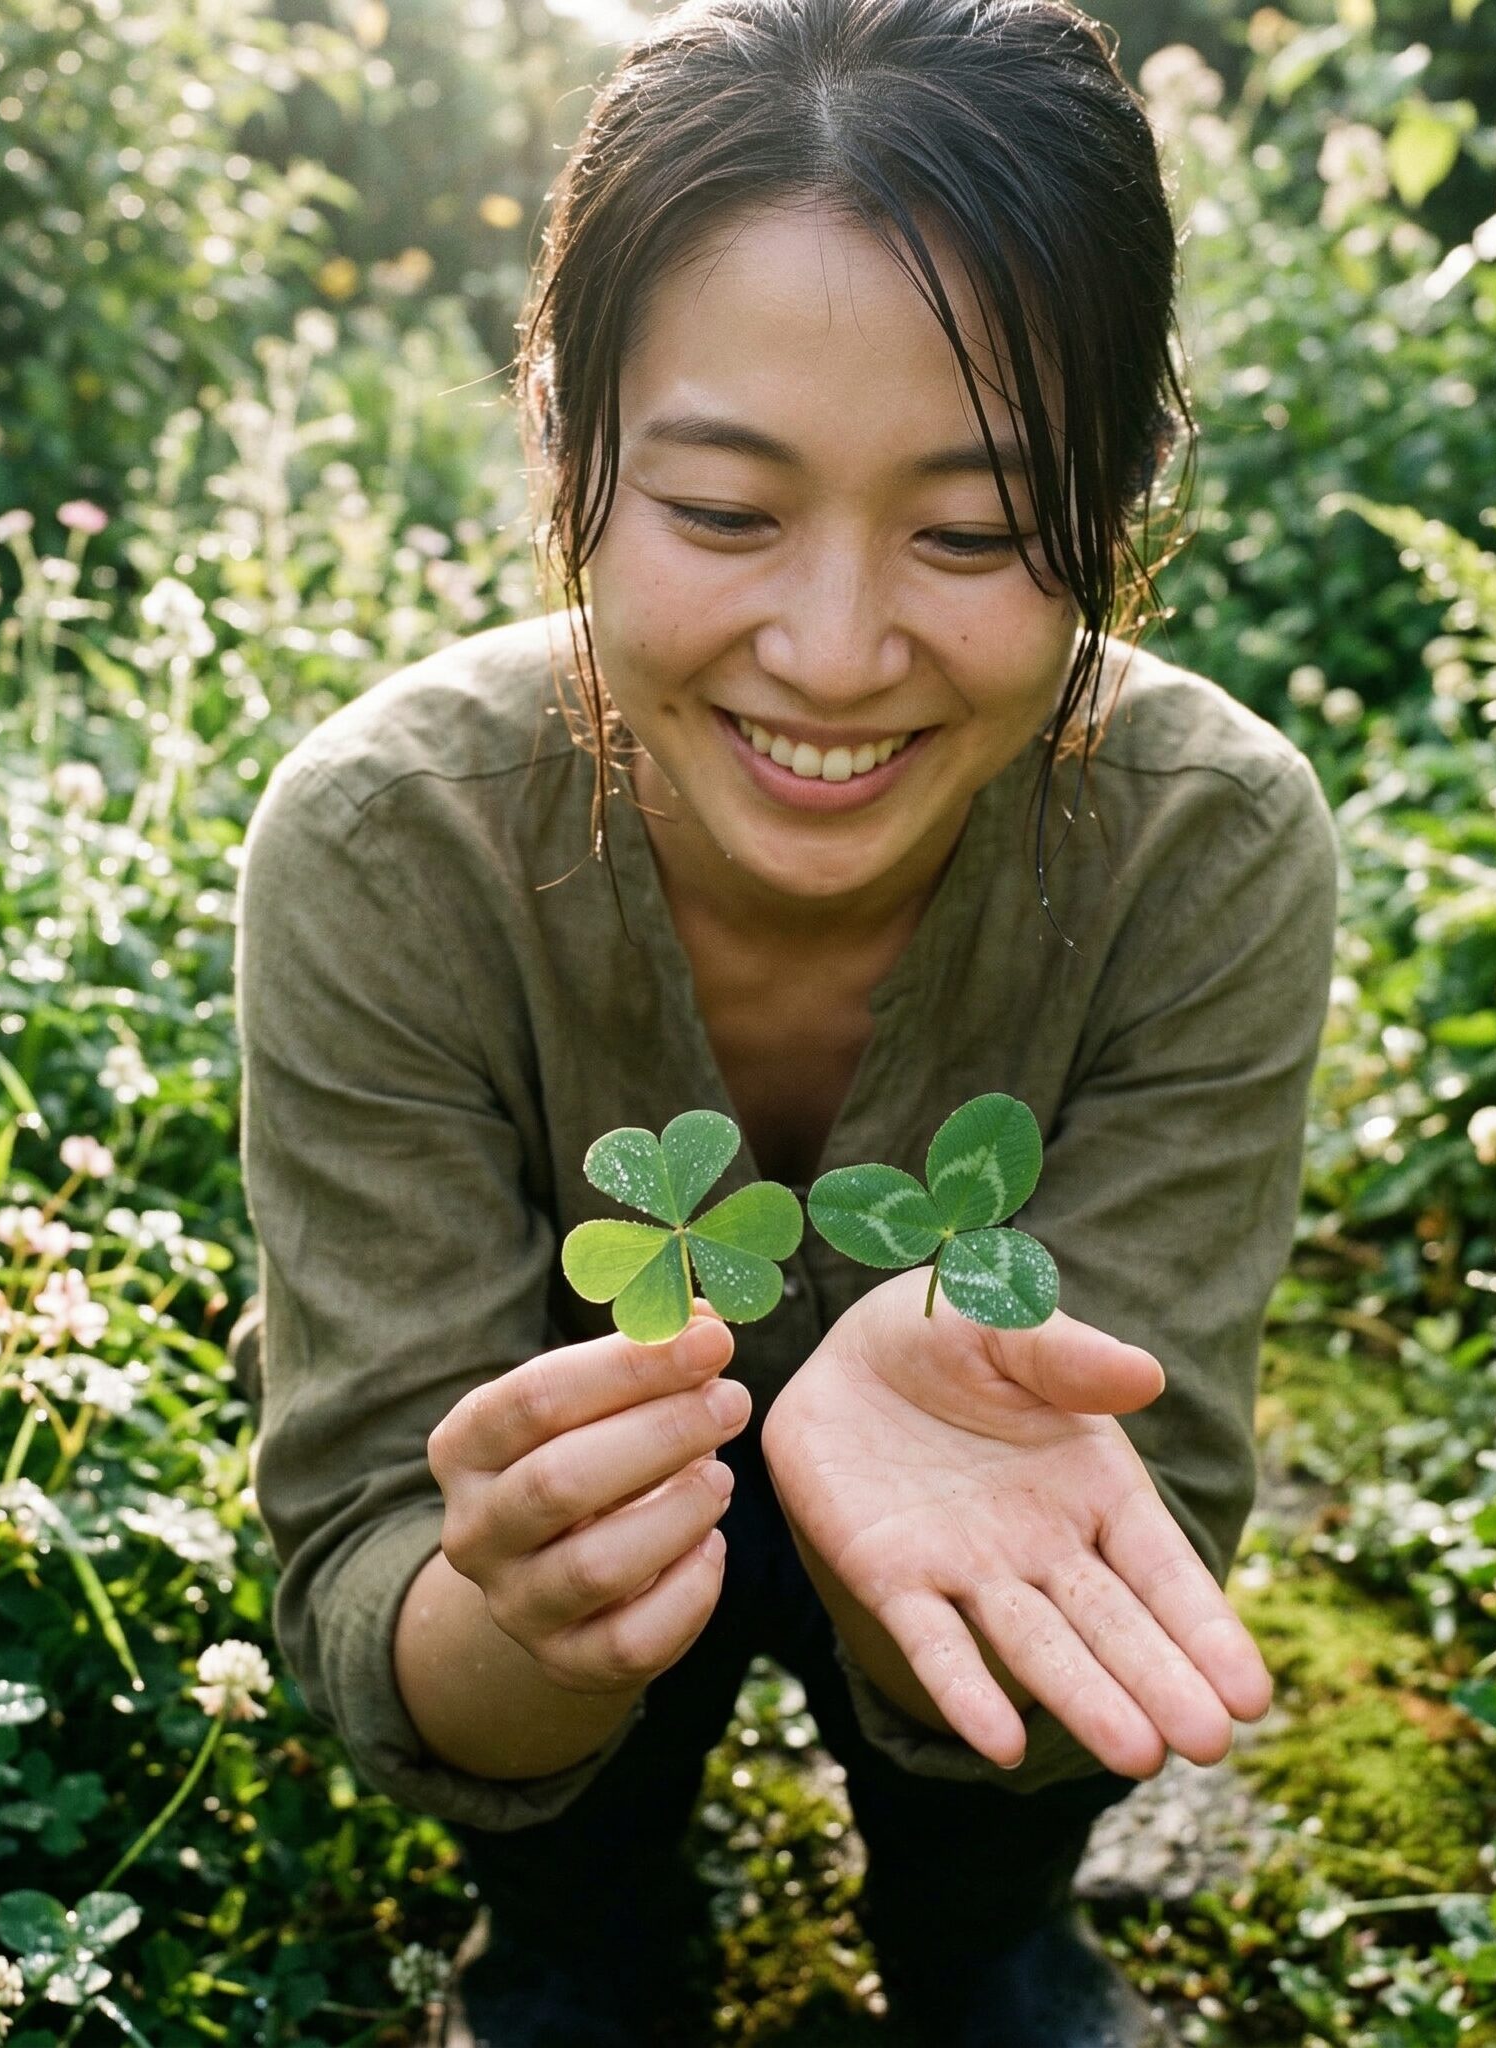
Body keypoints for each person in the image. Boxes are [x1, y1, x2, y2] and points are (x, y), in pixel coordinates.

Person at [229, 0, 1341, 2040]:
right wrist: (526, 1609)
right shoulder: (388, 843)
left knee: (993, 1946)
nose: (832, 655)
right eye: (726, 513)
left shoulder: (1210, 843)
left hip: (965, 1608)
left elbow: (1134, 1523)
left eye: (980, 529)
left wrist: (954, 1502)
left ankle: (985, 1926)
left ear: (1123, 492)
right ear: (569, 462)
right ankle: (576, 1923)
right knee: (573, 1971)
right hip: (575, 1578)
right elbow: (374, 1572)